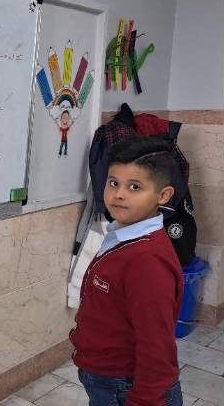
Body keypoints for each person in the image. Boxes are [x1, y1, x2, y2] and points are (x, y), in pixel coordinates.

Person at [69, 136, 184, 405]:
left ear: (163, 195)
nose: (118, 194)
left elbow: (157, 347)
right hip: (106, 377)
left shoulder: (146, 261)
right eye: (113, 183)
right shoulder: (123, 234)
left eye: (134, 186)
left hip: (123, 386)